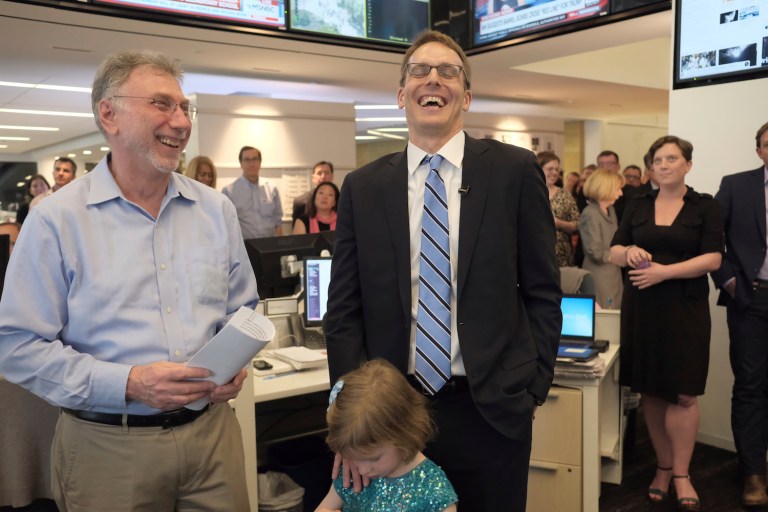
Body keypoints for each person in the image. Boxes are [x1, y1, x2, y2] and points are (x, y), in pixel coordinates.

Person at [0, 50, 259, 511]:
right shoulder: (56, 220)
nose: (181, 122)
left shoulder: (215, 210)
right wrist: (129, 383)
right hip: (108, 448)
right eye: (162, 104)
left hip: (214, 436)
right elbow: (17, 346)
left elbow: (242, 309)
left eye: (185, 108)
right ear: (109, 114)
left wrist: (233, 363)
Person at [325, 30, 562, 512]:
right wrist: (352, 418)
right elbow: (344, 310)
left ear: (466, 96)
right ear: (400, 95)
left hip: (493, 409)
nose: (433, 78)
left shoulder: (514, 171)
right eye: (419, 70)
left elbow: (542, 290)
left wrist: (533, 386)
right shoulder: (363, 187)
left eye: (448, 71)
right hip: (392, 415)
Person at [609, 135, 723, 511]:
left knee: (684, 392)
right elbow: (614, 250)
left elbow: (712, 260)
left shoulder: (704, 206)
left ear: (688, 164)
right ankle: (662, 466)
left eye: (672, 158)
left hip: (685, 309)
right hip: (643, 309)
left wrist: (665, 272)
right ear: (651, 166)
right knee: (652, 391)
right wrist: (629, 251)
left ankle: (682, 473)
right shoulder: (637, 203)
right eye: (658, 159)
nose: (664, 165)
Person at [711, 121, 768, 507]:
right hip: (753, 300)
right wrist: (730, 282)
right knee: (750, 387)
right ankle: (753, 474)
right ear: (759, 150)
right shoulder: (737, 185)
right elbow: (712, 238)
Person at [316, 359, 458, 512]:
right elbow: (324, 507)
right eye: (354, 458)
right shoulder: (352, 473)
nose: (363, 470)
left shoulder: (434, 490)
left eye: (373, 458)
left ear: (404, 435)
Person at [579, 169, 624, 309]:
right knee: (603, 316)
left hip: (613, 271)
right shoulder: (590, 213)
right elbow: (593, 250)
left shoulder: (611, 210)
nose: (620, 193)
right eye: (618, 189)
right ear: (606, 188)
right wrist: (621, 256)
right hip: (599, 273)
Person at [222, 146, 283, 238]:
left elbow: (278, 222)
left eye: (255, 159)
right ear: (241, 164)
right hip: (245, 248)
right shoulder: (229, 191)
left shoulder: (271, 187)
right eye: (247, 160)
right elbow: (226, 225)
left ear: (260, 162)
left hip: (270, 245)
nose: (251, 164)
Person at [539, 151, 579, 267]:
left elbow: (578, 224)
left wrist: (559, 223)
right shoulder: (528, 193)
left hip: (561, 256)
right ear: (539, 168)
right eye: (550, 169)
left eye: (557, 169)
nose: (554, 173)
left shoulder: (565, 195)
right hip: (534, 253)